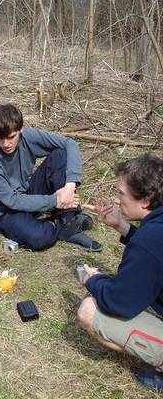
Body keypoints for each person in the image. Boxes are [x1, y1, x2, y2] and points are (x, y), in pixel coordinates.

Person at [78, 154, 163, 390]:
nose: (116, 199)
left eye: (121, 194)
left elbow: (117, 302)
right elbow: (156, 254)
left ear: (145, 201)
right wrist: (121, 226)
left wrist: (94, 281)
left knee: (89, 311)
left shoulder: (150, 240)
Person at [0, 103, 101, 252]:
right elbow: (12, 201)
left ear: (21, 129)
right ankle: (60, 222)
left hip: (25, 192)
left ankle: (68, 222)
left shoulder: (29, 136)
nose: (6, 144)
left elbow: (70, 143)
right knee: (39, 238)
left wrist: (70, 186)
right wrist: (56, 200)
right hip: (3, 211)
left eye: (11, 137)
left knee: (60, 154)